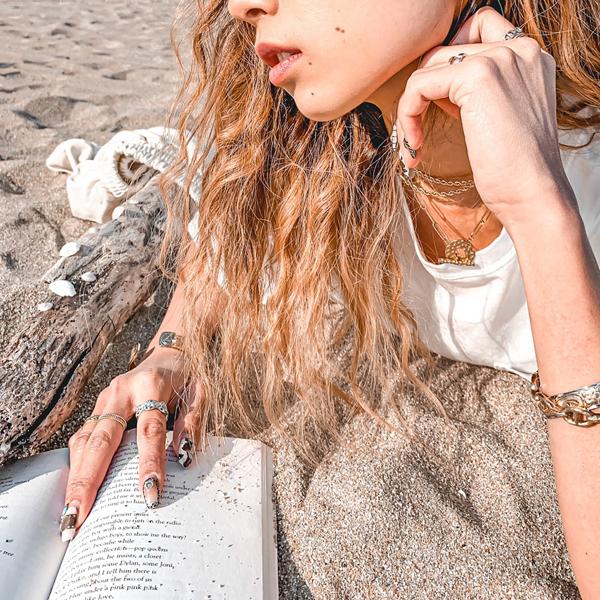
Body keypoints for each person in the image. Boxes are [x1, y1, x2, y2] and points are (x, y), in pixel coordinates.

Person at [59, 0, 600, 596]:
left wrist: (539, 212)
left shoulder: (584, 171)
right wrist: (172, 346)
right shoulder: (326, 143)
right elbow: (227, 230)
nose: (241, 6)